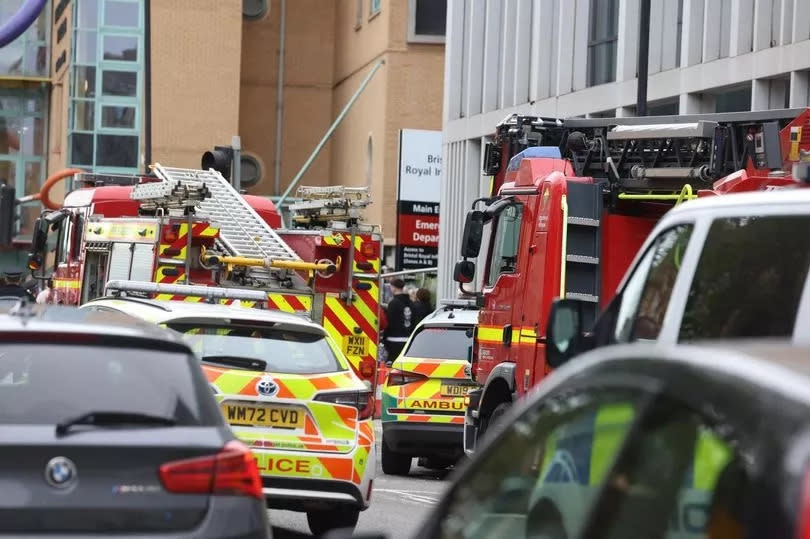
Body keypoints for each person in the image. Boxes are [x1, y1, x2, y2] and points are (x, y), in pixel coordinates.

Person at [383, 278, 413, 365]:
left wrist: (385, 338)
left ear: (394, 288)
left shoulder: (393, 303)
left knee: (393, 366)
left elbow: (388, 322)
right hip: (408, 340)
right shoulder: (411, 303)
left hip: (393, 340)